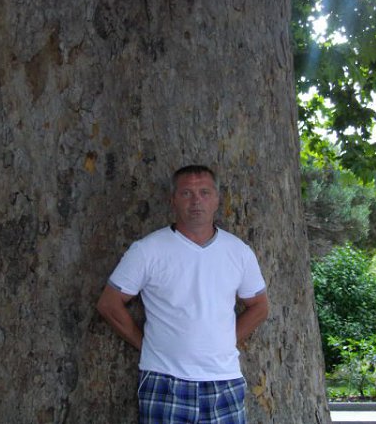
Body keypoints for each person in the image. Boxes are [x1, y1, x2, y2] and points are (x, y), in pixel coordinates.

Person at [97, 165, 269, 424]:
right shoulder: (147, 250)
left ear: (217, 199)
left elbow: (260, 307)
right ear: (173, 200)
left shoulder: (239, 252)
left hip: (223, 381)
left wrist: (224, 342)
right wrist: (147, 346)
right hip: (165, 381)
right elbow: (109, 304)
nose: (196, 200)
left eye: (204, 192)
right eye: (186, 193)